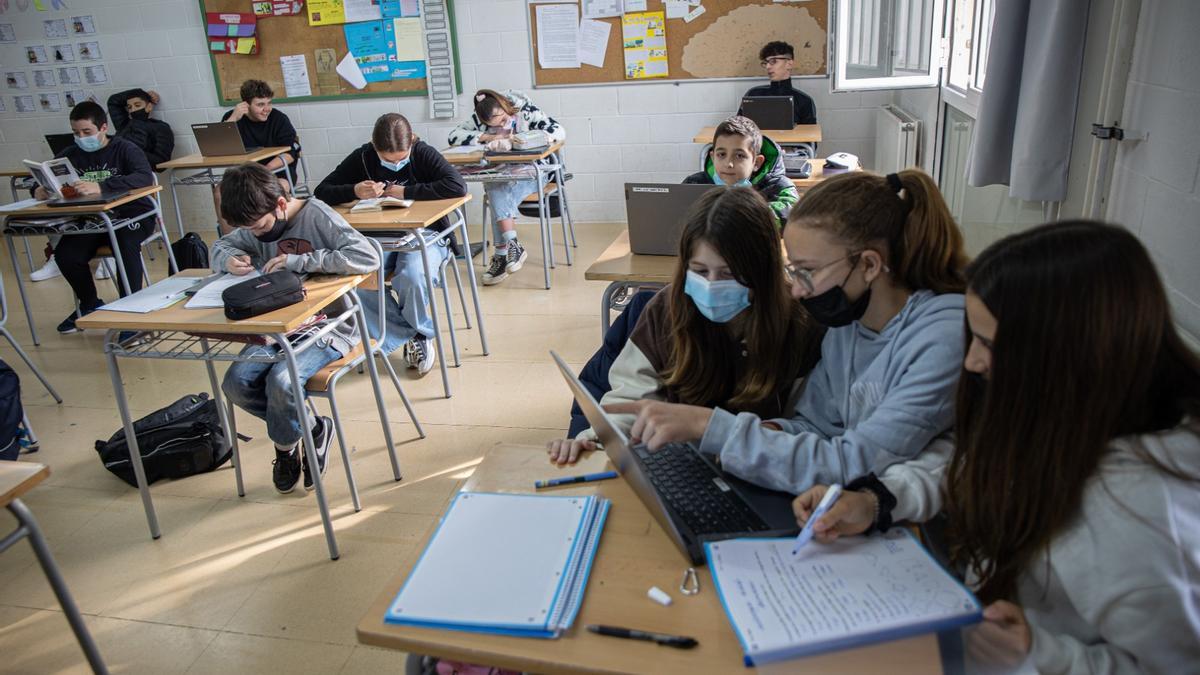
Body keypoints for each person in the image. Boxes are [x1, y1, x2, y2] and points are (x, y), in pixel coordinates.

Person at [795, 221, 1200, 673]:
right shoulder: (1066, 413)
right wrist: (876, 500)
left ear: (1063, 352)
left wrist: (1043, 656)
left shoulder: (1137, 514)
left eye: (988, 343)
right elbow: (972, 462)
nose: (971, 362)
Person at [607, 170, 969, 494]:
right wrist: (765, 436)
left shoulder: (942, 333)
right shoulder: (848, 326)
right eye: (794, 270)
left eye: (807, 270)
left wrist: (712, 427)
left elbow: (851, 461)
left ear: (870, 264)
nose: (797, 290)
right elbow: (815, 426)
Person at [547, 187, 824, 465]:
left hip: (765, 467)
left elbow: (809, 426)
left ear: (761, 272)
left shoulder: (800, 322)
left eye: (729, 274)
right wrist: (593, 440)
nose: (712, 285)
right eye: (700, 271)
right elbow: (631, 402)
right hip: (682, 463)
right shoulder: (665, 310)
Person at [214, 163, 379, 495]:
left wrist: (300, 262)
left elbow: (368, 257)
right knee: (235, 383)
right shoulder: (253, 221)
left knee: (283, 380)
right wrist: (226, 259)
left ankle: (285, 449)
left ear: (279, 205)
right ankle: (315, 426)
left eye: (259, 227)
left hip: (332, 324)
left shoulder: (316, 215)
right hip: (277, 325)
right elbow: (222, 246)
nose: (256, 235)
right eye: (249, 229)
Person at [314, 113, 468, 376]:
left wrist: (407, 192)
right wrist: (354, 191)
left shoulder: (422, 153)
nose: (395, 164)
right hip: (379, 237)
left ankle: (414, 334)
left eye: (401, 158)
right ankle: (413, 332)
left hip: (425, 233)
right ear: (375, 148)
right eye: (388, 160)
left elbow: (457, 186)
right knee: (357, 275)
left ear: (411, 144)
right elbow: (322, 191)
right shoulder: (363, 157)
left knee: (413, 275)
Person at [32, 101, 156, 334]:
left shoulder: (125, 148)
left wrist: (102, 186)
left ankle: (132, 312)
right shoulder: (71, 154)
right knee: (67, 254)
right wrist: (38, 190)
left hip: (134, 214)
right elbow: (44, 176)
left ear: (103, 128)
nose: (81, 137)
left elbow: (144, 178)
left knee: (125, 246)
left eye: (86, 132)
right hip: (94, 219)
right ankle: (89, 304)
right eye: (76, 133)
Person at [447, 88, 565, 285]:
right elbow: (453, 136)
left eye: (502, 120)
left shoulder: (526, 112)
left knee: (496, 190)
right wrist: (488, 138)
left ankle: (502, 254)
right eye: (493, 125)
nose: (501, 125)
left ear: (505, 107)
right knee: (495, 187)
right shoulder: (479, 119)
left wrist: (525, 140)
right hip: (503, 173)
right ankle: (512, 247)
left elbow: (558, 131)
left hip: (534, 175)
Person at [214, 79, 301, 234]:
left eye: (268, 103)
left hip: (276, 172)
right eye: (260, 104)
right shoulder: (233, 118)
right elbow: (220, 149)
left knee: (277, 188)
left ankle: (277, 234)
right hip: (243, 175)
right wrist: (233, 118)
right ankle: (230, 241)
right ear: (245, 105)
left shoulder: (279, 119)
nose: (266, 109)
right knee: (220, 191)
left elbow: (290, 154)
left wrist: (264, 169)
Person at [684, 115, 799, 226]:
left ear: (757, 163)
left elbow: (791, 213)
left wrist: (736, 214)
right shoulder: (693, 184)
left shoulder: (778, 186)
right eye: (722, 154)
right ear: (713, 157)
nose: (728, 163)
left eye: (739, 156)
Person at [738, 40, 817, 126]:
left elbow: (811, 136)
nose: (768, 67)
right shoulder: (753, 95)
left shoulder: (804, 101)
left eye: (773, 61)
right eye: (766, 63)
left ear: (789, 64)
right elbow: (738, 129)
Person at [106, 88, 174, 169]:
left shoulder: (160, 128)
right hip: (111, 167)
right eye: (129, 107)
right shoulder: (124, 125)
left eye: (137, 105)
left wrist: (130, 152)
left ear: (149, 107)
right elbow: (113, 101)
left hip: (137, 171)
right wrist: (142, 93)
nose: (133, 110)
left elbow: (162, 163)